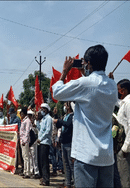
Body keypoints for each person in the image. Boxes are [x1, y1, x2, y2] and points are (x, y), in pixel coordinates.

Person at [52, 45, 118, 187]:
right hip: (106, 156)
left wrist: (64, 72)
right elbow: (94, 92)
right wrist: (85, 74)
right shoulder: (112, 86)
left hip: (86, 155)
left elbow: (57, 93)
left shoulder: (85, 84)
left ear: (88, 63)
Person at [53, 102, 74, 188]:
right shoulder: (65, 116)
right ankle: (67, 183)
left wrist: (59, 121)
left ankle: (75, 183)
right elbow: (59, 125)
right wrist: (56, 116)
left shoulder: (73, 116)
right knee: (66, 165)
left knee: (71, 165)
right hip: (63, 143)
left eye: (66, 105)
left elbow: (68, 124)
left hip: (69, 143)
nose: (64, 107)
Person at [115, 79, 130, 187]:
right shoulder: (124, 102)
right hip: (122, 146)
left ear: (123, 91)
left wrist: (125, 147)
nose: (117, 92)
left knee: (125, 179)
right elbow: (115, 101)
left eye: (118, 90)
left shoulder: (129, 103)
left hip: (126, 148)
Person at [36, 103, 52, 186]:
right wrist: (37, 120)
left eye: (43, 109)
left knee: (45, 162)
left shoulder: (49, 118)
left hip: (45, 142)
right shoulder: (43, 119)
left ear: (46, 109)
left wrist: (41, 139)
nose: (41, 110)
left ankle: (46, 179)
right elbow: (40, 129)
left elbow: (48, 131)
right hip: (40, 142)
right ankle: (42, 177)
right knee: (40, 162)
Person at [20, 107, 32, 178]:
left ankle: (27, 172)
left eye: (21, 113)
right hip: (22, 140)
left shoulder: (27, 121)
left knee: (26, 157)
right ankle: (25, 171)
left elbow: (27, 131)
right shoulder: (23, 120)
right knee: (24, 156)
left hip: (25, 141)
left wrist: (24, 140)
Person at [27, 110, 40, 179]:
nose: (29, 117)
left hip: (34, 142)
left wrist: (34, 126)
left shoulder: (35, 122)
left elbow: (37, 132)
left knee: (34, 158)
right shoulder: (26, 122)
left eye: (30, 115)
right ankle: (31, 171)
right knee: (30, 158)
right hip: (29, 142)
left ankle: (36, 172)